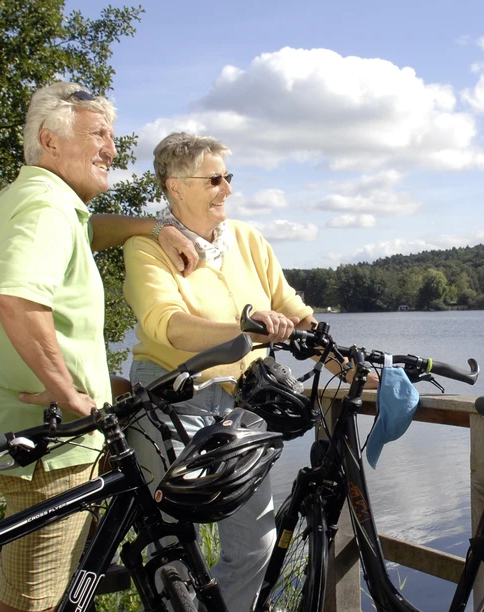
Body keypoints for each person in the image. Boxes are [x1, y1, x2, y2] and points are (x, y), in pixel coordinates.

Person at [0, 82, 201, 612]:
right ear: (50, 141)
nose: (112, 149)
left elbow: (89, 230)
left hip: (46, 440)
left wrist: (155, 226)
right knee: (36, 603)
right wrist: (68, 392)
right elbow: (19, 300)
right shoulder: (45, 206)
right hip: (49, 446)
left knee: (54, 592)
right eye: (99, 135)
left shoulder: (41, 202)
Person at [122, 132, 330, 612]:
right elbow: (167, 325)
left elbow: (296, 313)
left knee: (255, 545)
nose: (228, 189)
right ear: (175, 186)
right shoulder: (145, 246)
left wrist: (343, 363)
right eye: (214, 179)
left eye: (228, 177)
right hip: (173, 403)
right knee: (170, 549)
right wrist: (246, 329)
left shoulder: (248, 239)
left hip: (243, 410)